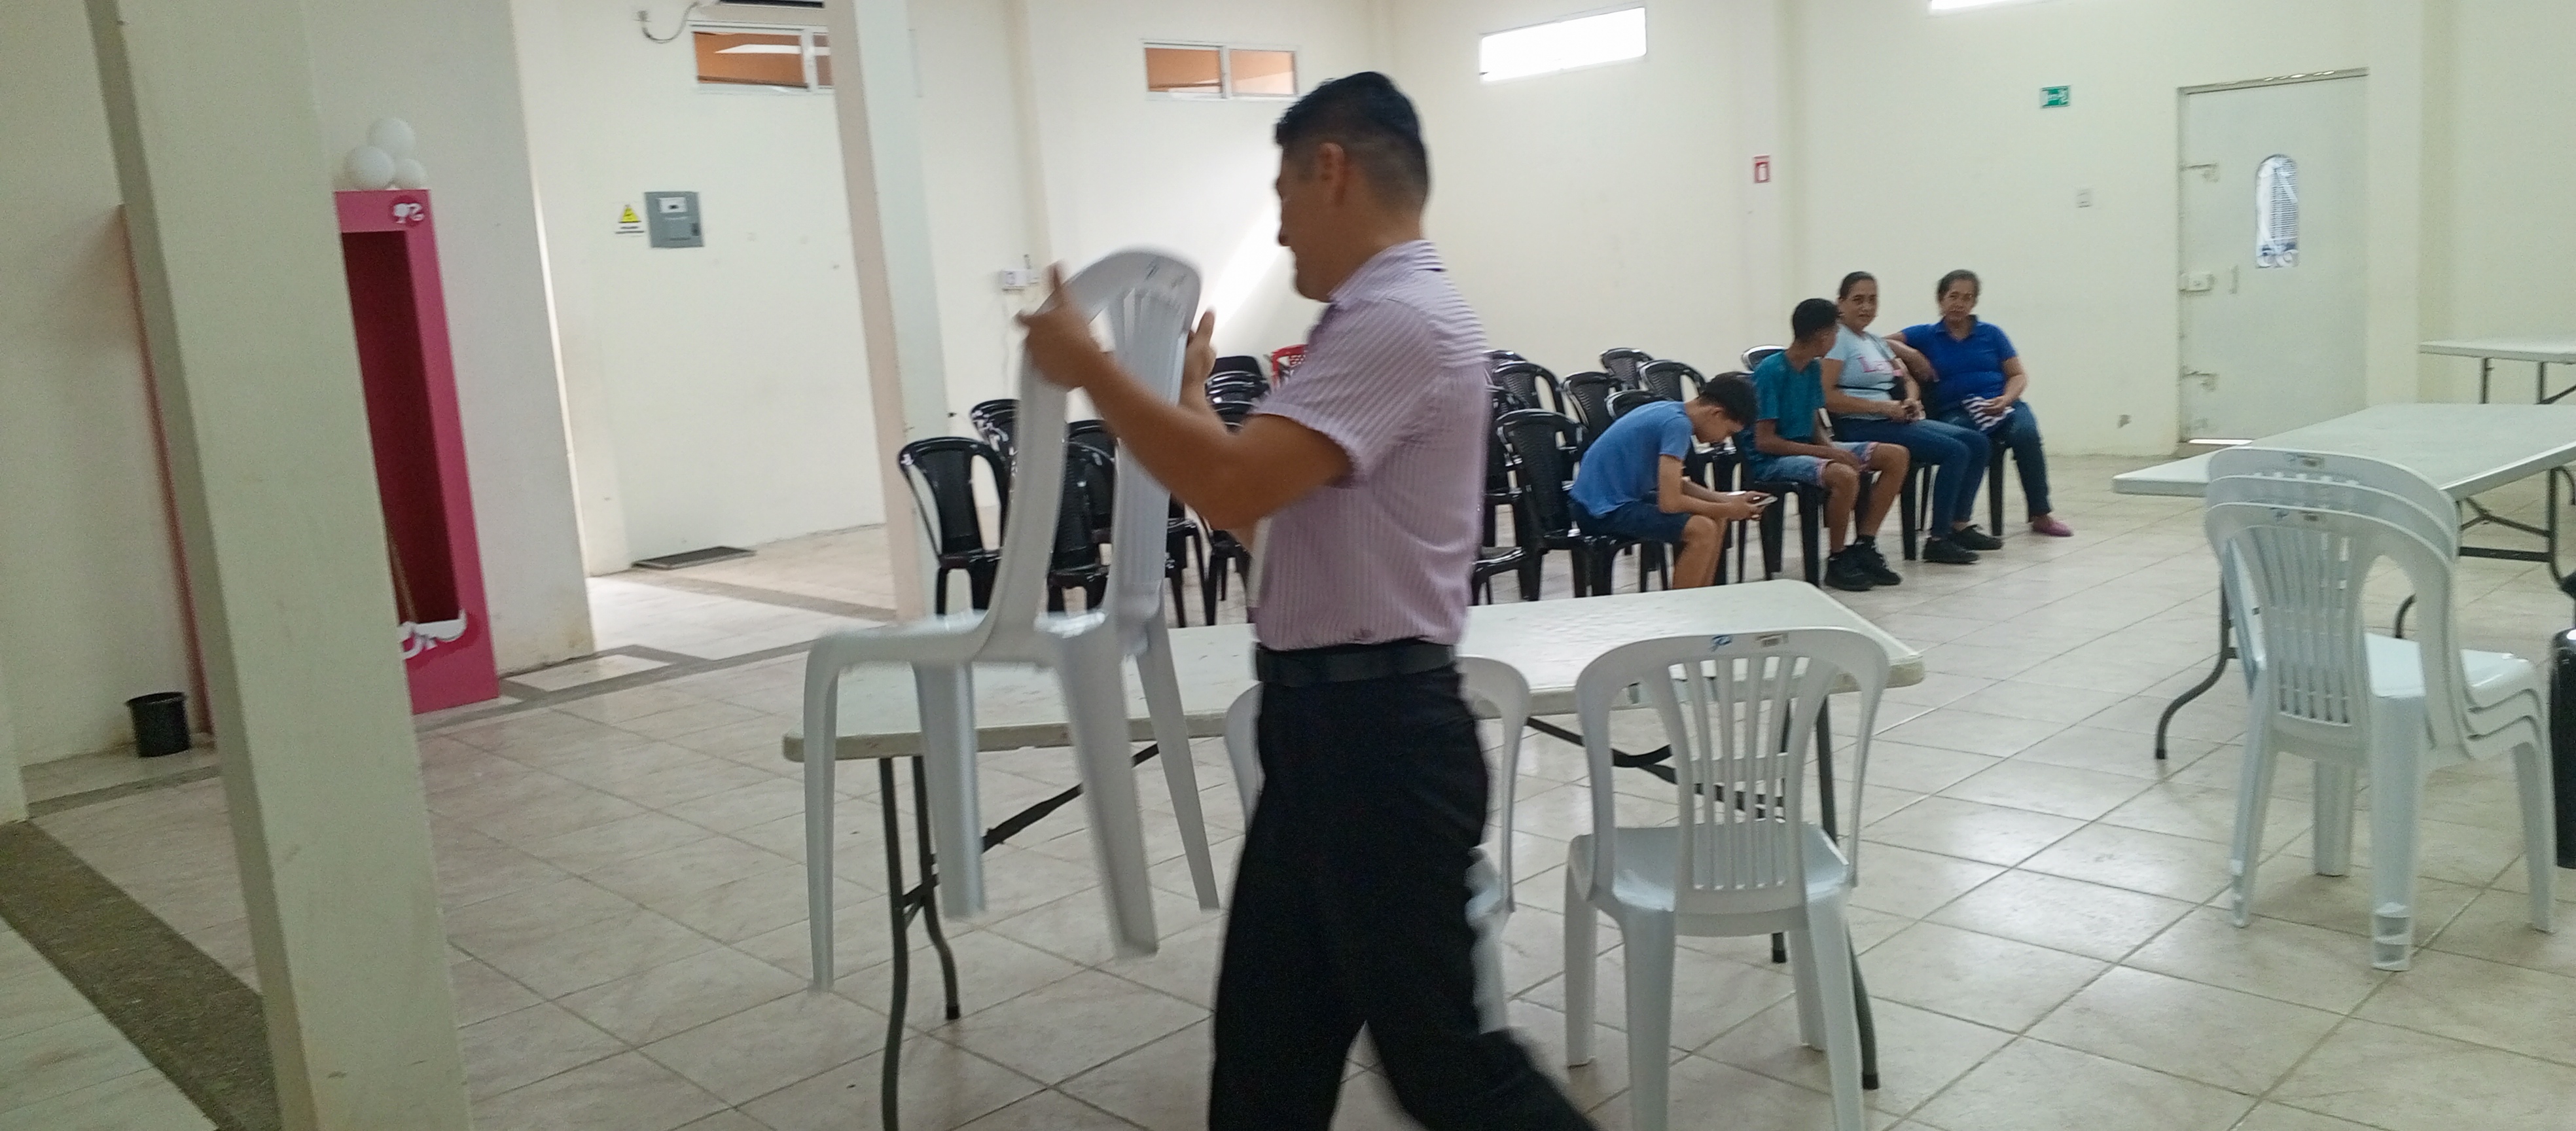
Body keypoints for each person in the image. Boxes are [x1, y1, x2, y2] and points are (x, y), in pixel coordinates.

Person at [1017, 72, 1596, 1131]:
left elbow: (1234, 485)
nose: (1280, 230)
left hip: (1378, 743)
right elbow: (1270, 519)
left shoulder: (1398, 320)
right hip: (1331, 735)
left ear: (1331, 170)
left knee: (1444, 1066)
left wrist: (1090, 366)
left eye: (1283, 194)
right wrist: (1190, 400)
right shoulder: (1377, 319)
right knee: (1267, 1056)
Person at [1821, 271, 1997, 563]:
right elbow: (1826, 396)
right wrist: (1882, 408)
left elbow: (1904, 378)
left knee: (1978, 442)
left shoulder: (1874, 341)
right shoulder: (1837, 340)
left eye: (1873, 300)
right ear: (1841, 303)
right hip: (1860, 424)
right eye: (1858, 300)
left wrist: (1911, 400)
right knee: (1956, 451)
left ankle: (1958, 525)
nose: (1866, 307)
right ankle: (1938, 540)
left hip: (1893, 416)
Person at [1744, 298, 1912, 591]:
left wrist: (1832, 448)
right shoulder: (1772, 372)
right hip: (1772, 460)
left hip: (1808, 449)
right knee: (1844, 475)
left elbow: (1813, 422)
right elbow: (1765, 440)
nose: (1836, 338)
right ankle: (1837, 557)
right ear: (1823, 336)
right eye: (1835, 332)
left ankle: (1865, 543)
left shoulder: (1811, 368)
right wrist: (1827, 454)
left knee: (1896, 456)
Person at [1891, 270, 2073, 537]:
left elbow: (2018, 375)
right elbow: (1879, 342)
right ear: (1941, 299)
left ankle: (2041, 514)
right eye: (1953, 296)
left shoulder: (1992, 334)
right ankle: (1956, 521)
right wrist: (1910, 353)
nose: (1959, 304)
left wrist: (2006, 399)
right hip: (1956, 410)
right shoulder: (1925, 335)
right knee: (1969, 443)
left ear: (1974, 303)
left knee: (2026, 434)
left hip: (2002, 403)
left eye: (1967, 298)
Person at [1567, 374, 1771, 588]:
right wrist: (1730, 509)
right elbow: (1670, 502)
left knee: (1715, 516)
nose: (1724, 439)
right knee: (1702, 529)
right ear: (1716, 413)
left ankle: (1705, 596)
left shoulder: (1670, 412)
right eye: (1728, 432)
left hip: (1611, 501)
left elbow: (1676, 484)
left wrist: (1726, 500)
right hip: (1598, 511)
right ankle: (1684, 604)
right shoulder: (1678, 425)